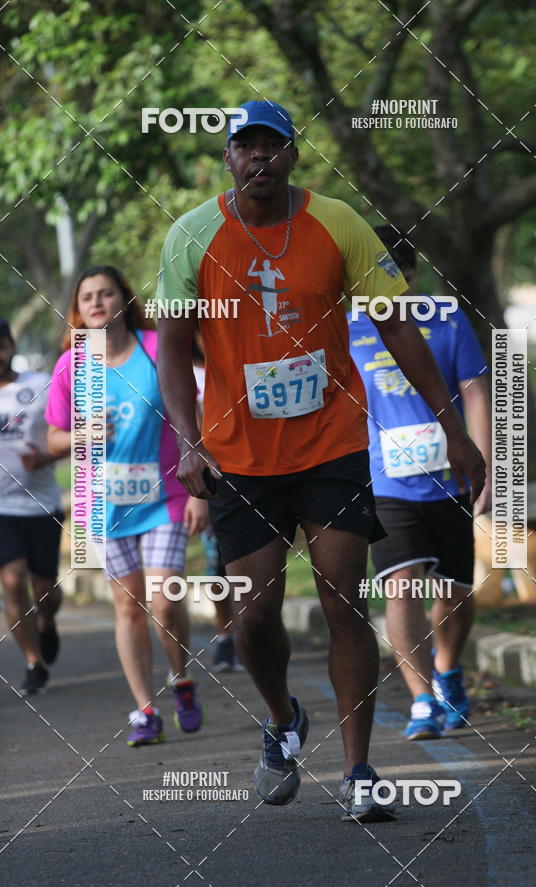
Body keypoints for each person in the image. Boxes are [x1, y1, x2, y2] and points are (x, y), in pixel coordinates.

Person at [154, 100, 485, 821]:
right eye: (245, 147)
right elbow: (174, 349)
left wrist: (451, 426)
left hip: (333, 442)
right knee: (254, 615)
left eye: (272, 146)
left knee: (344, 599)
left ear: (293, 155)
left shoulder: (337, 222)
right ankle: (281, 719)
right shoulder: (191, 235)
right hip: (239, 454)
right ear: (228, 159)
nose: (259, 159)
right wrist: (186, 439)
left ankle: (360, 769)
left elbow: (395, 324)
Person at [46, 266, 205, 746]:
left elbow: (195, 417)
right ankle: (145, 710)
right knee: (129, 607)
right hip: (104, 505)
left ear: (123, 300)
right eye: (87, 296)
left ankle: (181, 678)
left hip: (167, 494)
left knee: (163, 600)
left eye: (105, 293)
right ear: (78, 309)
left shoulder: (157, 349)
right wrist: (80, 435)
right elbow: (52, 436)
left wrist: (204, 494)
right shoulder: (71, 366)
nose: (96, 302)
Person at [349, 227, 492, 739]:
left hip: (450, 477)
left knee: (454, 590)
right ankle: (422, 699)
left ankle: (448, 669)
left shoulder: (446, 317)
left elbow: (474, 392)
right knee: (401, 583)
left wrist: (486, 460)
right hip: (383, 481)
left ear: (412, 275)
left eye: (395, 276)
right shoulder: (345, 324)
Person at [0, 317, 63, 694]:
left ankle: (47, 623)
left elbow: (62, 435)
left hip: (42, 505)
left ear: (11, 345)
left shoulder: (40, 385)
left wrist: (44, 458)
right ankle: (32, 661)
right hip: (1, 510)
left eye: (1, 343)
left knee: (46, 592)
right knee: (11, 582)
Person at [191, 331, 243, 673]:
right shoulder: (182, 371)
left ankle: (252, 633)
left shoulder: (237, 359)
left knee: (254, 560)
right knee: (217, 565)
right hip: (212, 479)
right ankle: (226, 635)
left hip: (252, 470)